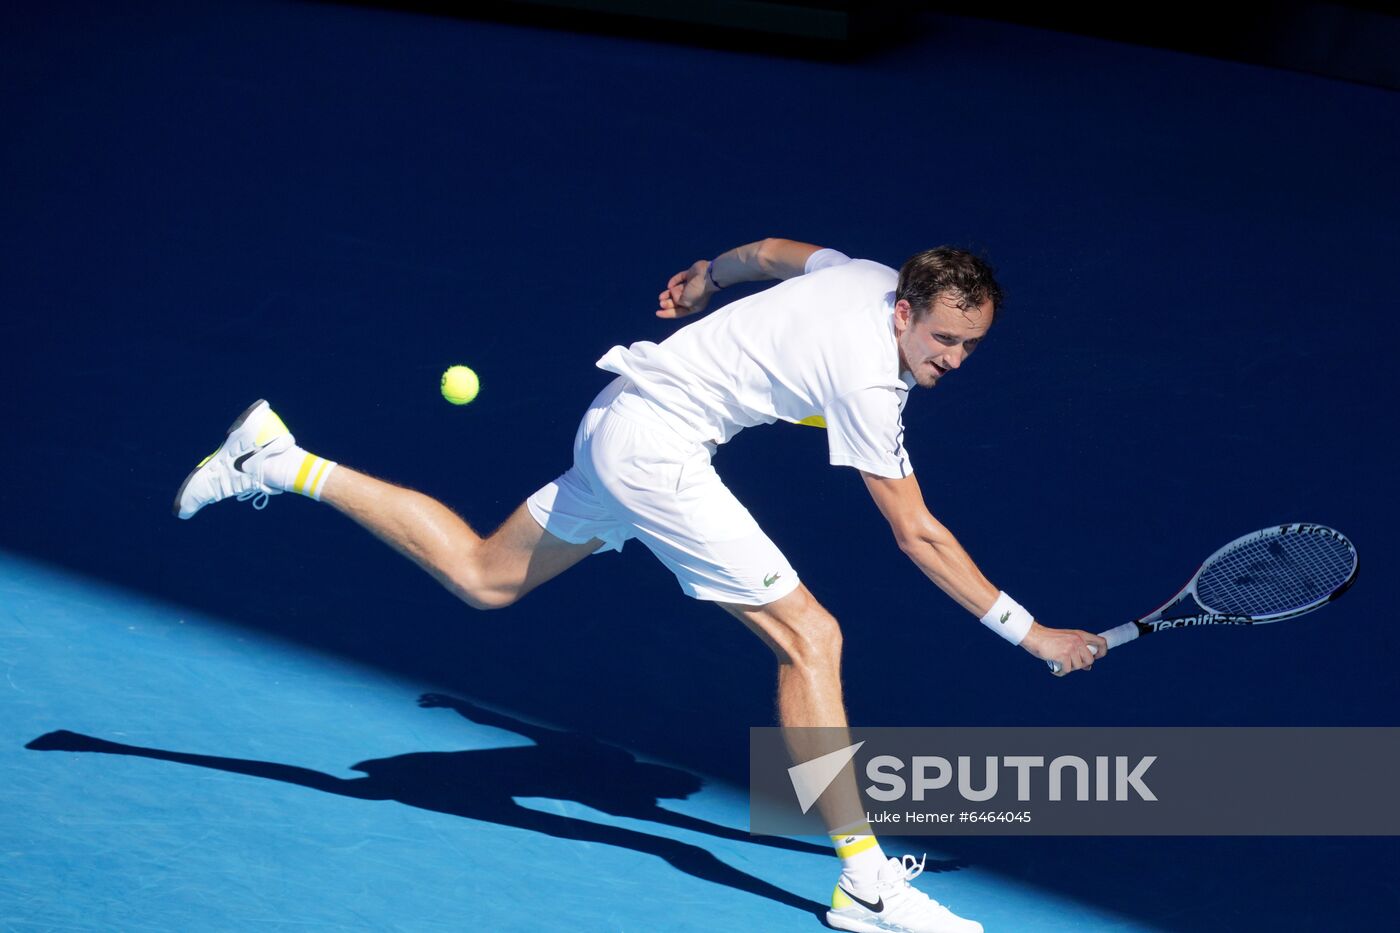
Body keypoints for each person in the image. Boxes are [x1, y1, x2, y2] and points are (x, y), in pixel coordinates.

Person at [174, 238, 1107, 933]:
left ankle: (277, 458)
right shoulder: (872, 382)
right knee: (810, 637)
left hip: (620, 419)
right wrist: (1032, 635)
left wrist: (707, 275)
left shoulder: (862, 275)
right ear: (905, 311)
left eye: (971, 346)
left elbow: (777, 253)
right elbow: (918, 532)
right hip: (653, 450)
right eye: (944, 338)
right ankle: (863, 879)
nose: (953, 359)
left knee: (483, 577)